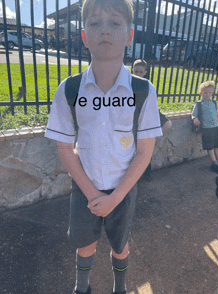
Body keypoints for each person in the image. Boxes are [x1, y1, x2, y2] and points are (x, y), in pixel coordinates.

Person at [44, 0, 162, 293]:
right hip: (85, 187)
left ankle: (119, 287)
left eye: (114, 23)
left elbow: (145, 151)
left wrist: (115, 197)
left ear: (129, 35)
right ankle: (81, 286)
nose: (104, 31)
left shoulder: (143, 91)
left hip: (124, 190)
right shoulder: (69, 89)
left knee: (120, 246)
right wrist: (93, 193)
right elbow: (64, 147)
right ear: (84, 35)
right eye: (95, 23)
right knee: (85, 244)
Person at [132, 59, 172, 180]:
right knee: (134, 153)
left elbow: (153, 106)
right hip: (134, 118)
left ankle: (146, 173)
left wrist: (152, 134)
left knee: (145, 153)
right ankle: (134, 176)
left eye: (141, 72)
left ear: (145, 72)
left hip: (147, 113)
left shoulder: (148, 86)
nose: (138, 74)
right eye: (136, 71)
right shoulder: (128, 83)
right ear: (132, 71)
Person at [192, 80, 218, 174]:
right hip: (207, 128)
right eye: (205, 93)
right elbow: (194, 114)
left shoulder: (214, 103)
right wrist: (195, 119)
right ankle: (214, 163)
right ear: (201, 93)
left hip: (216, 127)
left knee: (217, 146)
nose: (208, 95)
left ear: (212, 93)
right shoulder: (199, 104)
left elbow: (217, 113)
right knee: (210, 147)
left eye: (210, 93)